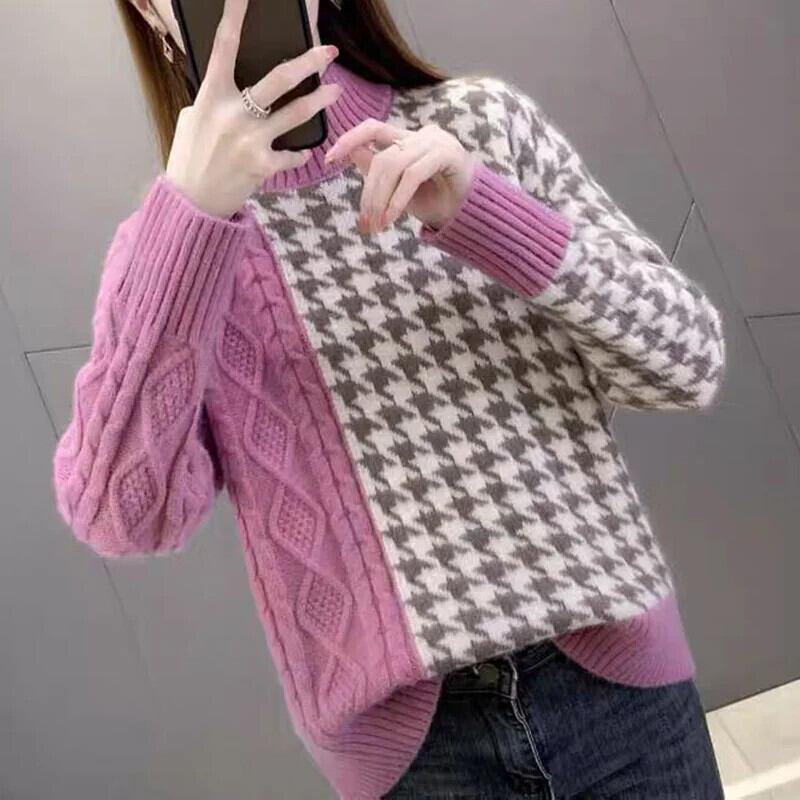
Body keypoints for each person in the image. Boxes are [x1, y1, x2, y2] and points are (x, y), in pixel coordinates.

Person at [53, 0, 727, 797]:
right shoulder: (167, 250)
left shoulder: (480, 125)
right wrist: (189, 222)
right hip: (417, 759)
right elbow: (120, 515)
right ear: (148, 11)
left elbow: (687, 362)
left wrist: (487, 212)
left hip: (619, 696)